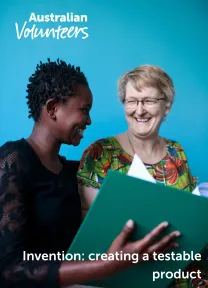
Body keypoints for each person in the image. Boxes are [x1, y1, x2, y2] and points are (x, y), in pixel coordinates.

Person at [0, 59, 181, 288]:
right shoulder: (12, 160)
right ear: (52, 108)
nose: (89, 120)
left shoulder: (75, 171)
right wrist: (105, 266)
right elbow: (9, 270)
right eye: (84, 110)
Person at [77, 64, 208, 287]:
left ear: (166, 106)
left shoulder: (177, 151)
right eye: (131, 101)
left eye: (148, 101)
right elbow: (95, 233)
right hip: (131, 273)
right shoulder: (99, 153)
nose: (139, 110)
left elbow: (190, 214)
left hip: (183, 269)